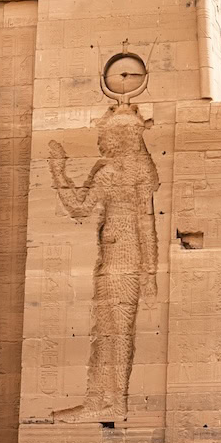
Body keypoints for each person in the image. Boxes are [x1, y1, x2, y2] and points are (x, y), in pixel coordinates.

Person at [47, 54, 160, 417]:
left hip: (126, 257)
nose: (102, 139)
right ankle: (100, 400)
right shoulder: (109, 170)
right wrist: (58, 172)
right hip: (111, 257)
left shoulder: (135, 169)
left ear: (123, 135)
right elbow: (81, 207)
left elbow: (147, 222)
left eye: (107, 133)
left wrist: (150, 272)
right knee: (104, 329)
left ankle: (115, 401)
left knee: (118, 331)